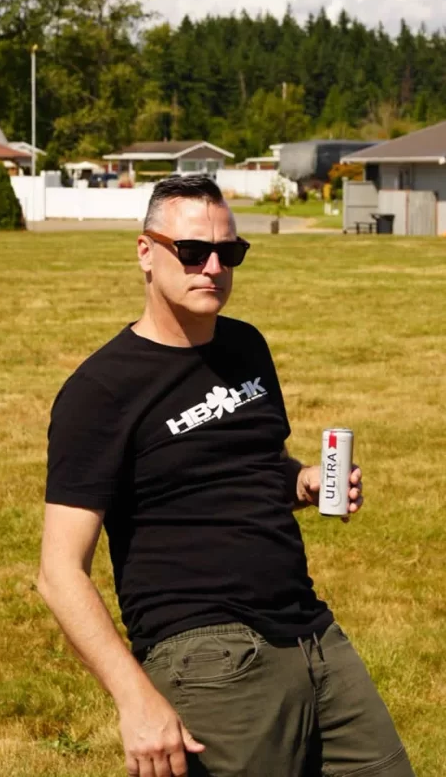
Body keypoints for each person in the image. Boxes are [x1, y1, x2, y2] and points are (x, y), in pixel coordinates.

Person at [39, 175, 415, 777]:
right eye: (192, 251)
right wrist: (135, 700)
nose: (213, 267)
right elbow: (59, 572)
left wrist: (303, 482)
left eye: (228, 252)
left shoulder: (245, 347)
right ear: (146, 252)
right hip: (207, 653)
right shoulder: (101, 391)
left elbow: (255, 467)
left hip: (312, 630)